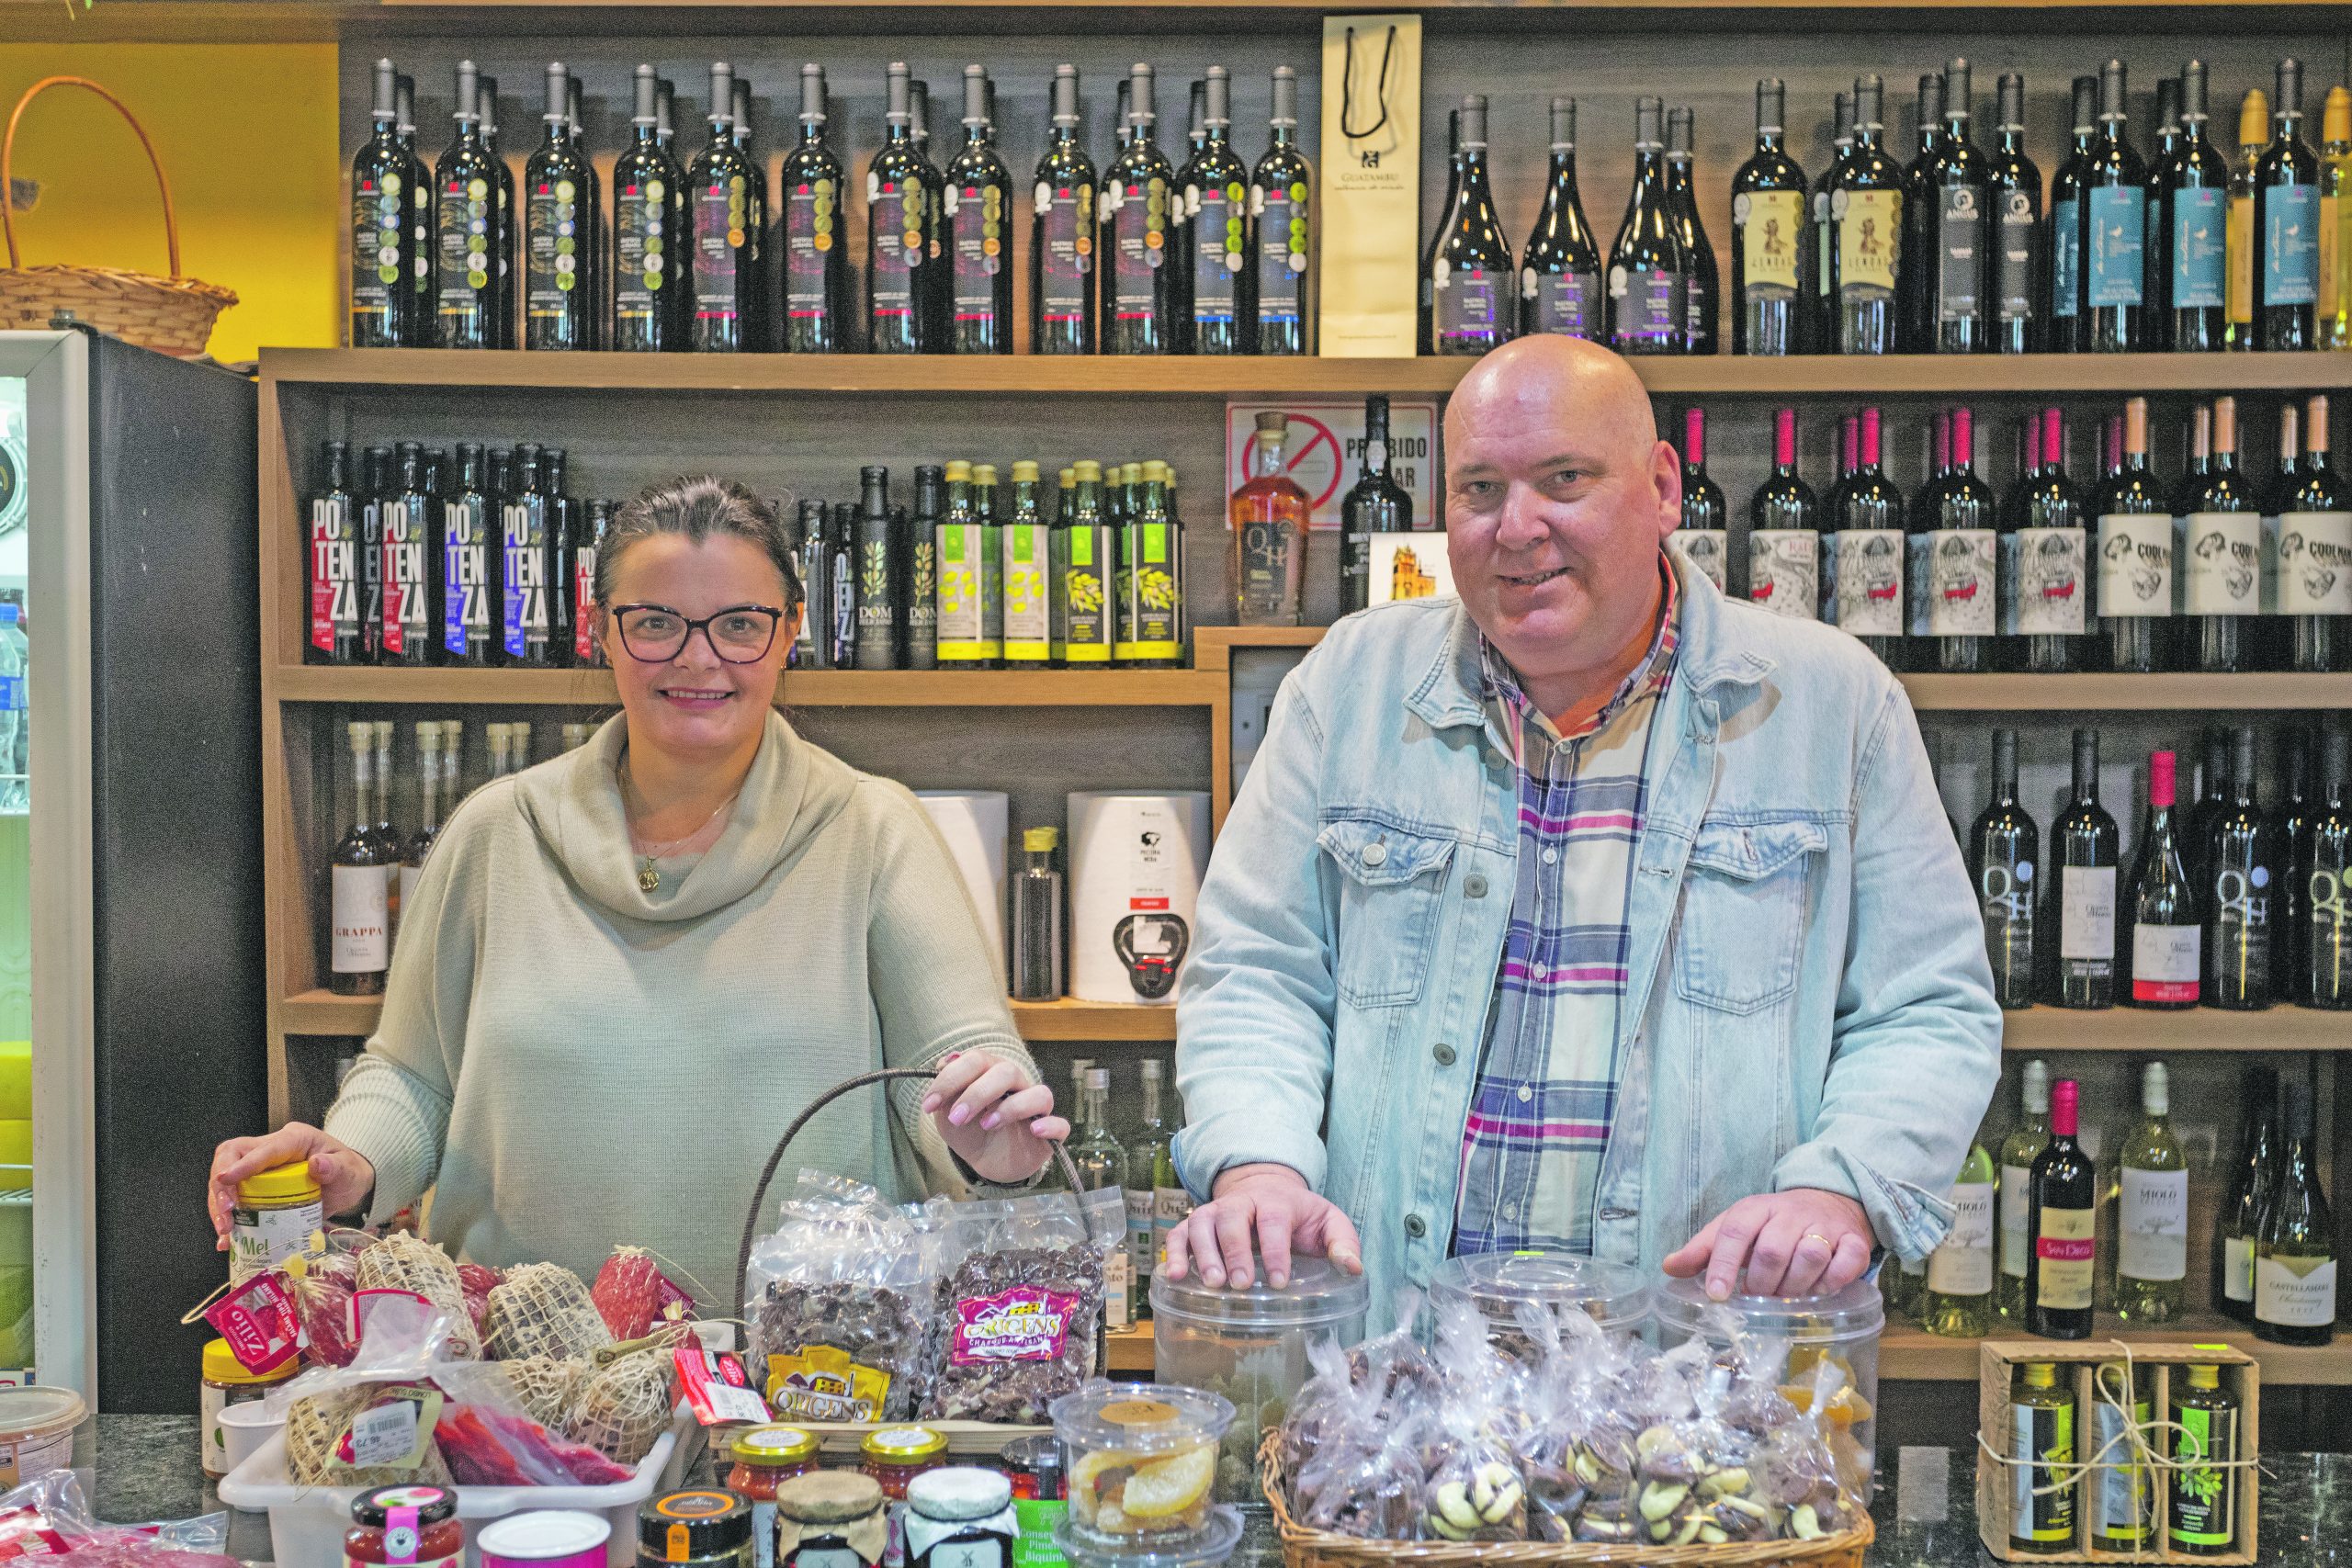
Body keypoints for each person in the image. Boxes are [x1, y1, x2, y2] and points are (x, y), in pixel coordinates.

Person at [1165, 337, 2000, 1327]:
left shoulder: (1829, 703)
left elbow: (1927, 1008)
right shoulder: (1348, 688)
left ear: (1660, 488)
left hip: (1699, 1385)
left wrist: (1841, 1186)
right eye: (1479, 489)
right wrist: (1257, 1163)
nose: (1518, 528)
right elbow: (1259, 973)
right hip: (1397, 1383)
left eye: (1564, 479)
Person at [208, 477, 1063, 1305]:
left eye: (739, 624)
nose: (699, 657)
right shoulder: (498, 833)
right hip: (527, 1391)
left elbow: (954, 1068)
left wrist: (989, 1136)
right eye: (656, 622)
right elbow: (412, 1076)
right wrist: (347, 1159)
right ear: (600, 631)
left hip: (802, 1386)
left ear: (791, 630)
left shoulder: (872, 831)